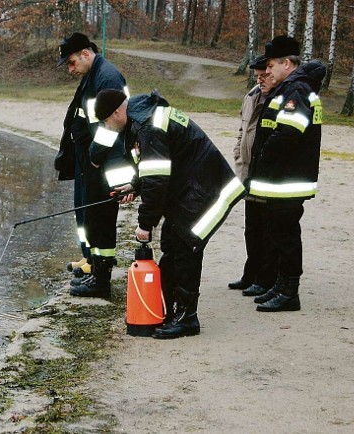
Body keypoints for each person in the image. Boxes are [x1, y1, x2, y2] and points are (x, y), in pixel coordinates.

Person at [94, 89, 246, 339]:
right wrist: (136, 185)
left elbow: (156, 179)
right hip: (189, 187)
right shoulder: (140, 117)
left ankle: (187, 318)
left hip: (205, 190)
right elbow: (156, 169)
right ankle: (170, 310)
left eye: (106, 121)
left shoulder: (147, 126)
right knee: (171, 245)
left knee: (185, 247)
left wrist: (145, 224)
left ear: (117, 112)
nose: (107, 127)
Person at [246, 35, 325, 312]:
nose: (267, 72)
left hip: (287, 180)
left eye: (271, 66)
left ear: (287, 64)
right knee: (279, 235)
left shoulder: (296, 90)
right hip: (280, 179)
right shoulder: (289, 88)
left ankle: (289, 291)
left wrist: (265, 156)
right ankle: (281, 286)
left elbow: (289, 132)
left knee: (286, 237)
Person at [53, 33, 134, 298]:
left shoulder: (107, 76)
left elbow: (113, 125)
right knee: (89, 217)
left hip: (102, 161)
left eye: (72, 62)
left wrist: (95, 156)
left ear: (86, 54)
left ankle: (101, 281)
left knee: (100, 220)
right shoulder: (93, 74)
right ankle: (94, 269)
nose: (70, 68)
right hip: (91, 160)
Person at [228, 55, 278, 296]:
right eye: (257, 75)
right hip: (248, 171)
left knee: (267, 229)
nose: (261, 79)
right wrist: (239, 156)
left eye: (265, 74)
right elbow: (242, 130)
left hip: (267, 174)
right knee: (251, 229)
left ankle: (265, 277)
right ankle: (251, 273)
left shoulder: (279, 98)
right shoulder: (251, 96)